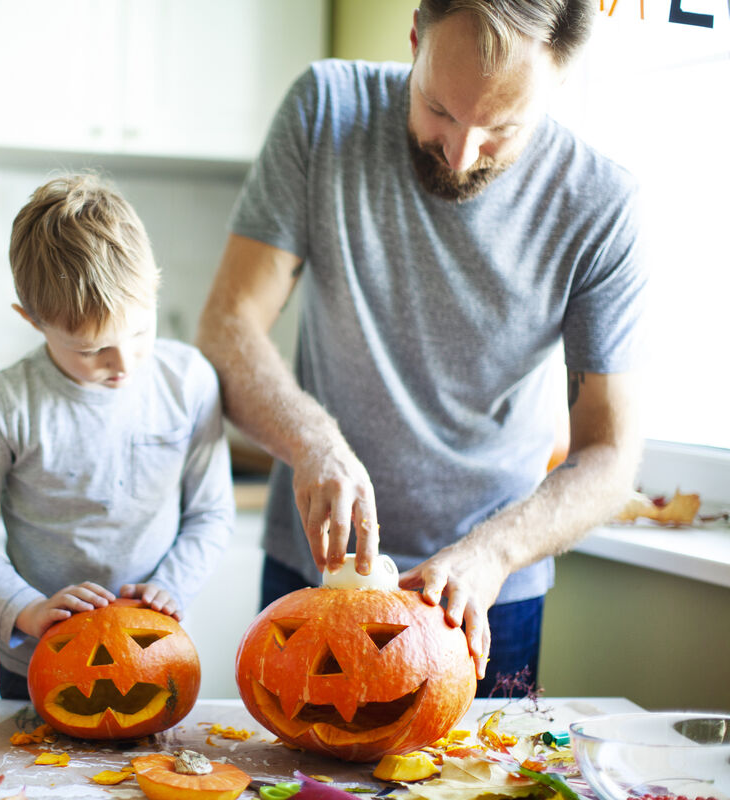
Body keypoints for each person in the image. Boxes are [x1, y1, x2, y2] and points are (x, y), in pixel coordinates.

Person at [196, 0, 645, 697]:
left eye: (500, 129)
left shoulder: (601, 205)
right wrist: (314, 442)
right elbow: (228, 325)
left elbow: (610, 455)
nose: (459, 154)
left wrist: (491, 554)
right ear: (415, 38)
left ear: (558, 84)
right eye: (439, 109)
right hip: (315, 571)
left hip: (487, 594)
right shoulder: (326, 110)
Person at [0, 173, 235, 700]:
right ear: (32, 320)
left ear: (154, 287)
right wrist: (27, 609)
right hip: (36, 661)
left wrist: (172, 585)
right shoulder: (6, 402)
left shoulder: (189, 382)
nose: (124, 363)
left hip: (152, 651)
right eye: (92, 350)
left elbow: (210, 513)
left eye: (140, 332)